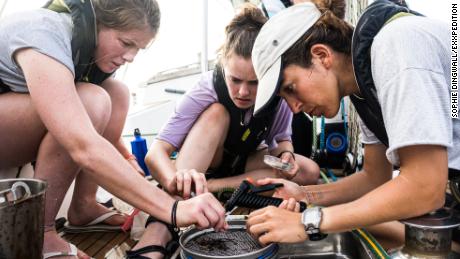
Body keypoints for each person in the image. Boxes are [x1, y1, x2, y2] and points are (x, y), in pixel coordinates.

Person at [0, 0, 226, 258]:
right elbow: (82, 143)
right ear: (96, 23)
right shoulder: (44, 32)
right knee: (92, 100)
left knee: (115, 92)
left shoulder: (84, 51)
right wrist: (172, 209)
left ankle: (83, 206)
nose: (130, 57)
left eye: (138, 49)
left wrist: (127, 158)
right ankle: (42, 232)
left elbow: (91, 129)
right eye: (126, 43)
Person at [246, 0, 457, 247]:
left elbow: (425, 187)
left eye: (291, 88)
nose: (294, 108)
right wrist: (304, 194)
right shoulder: (363, 86)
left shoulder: (396, 46)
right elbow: (374, 178)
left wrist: (309, 221)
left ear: (321, 55)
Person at [145, 4, 319, 200]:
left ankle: (212, 187)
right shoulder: (206, 88)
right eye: (235, 80)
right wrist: (174, 180)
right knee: (217, 112)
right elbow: (156, 153)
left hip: (245, 161)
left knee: (309, 171)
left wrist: (286, 156)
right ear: (223, 66)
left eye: (255, 83)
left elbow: (280, 139)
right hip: (208, 162)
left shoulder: (277, 95)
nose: (243, 92)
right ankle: (187, 192)